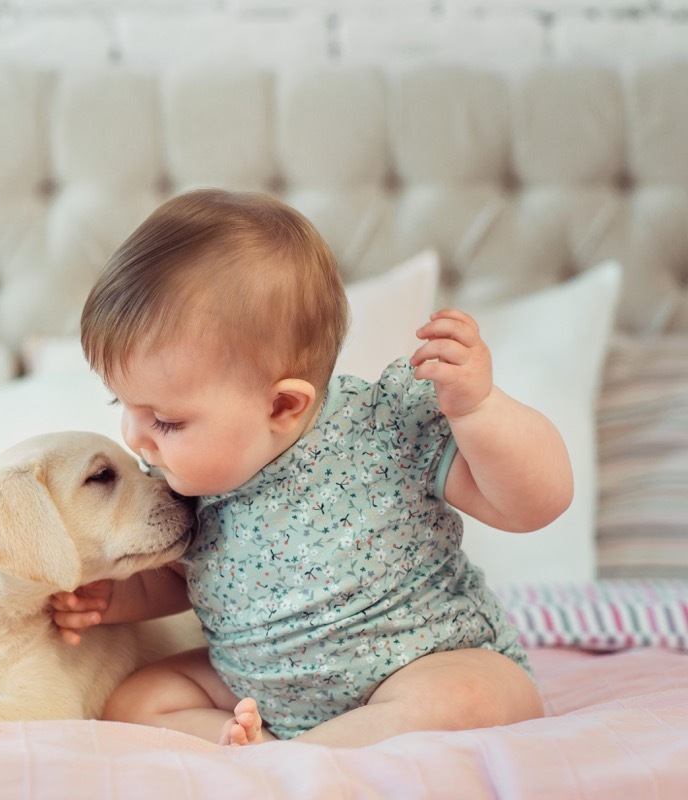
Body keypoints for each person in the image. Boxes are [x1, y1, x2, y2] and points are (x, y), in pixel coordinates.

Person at [49, 188, 573, 748]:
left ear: (281, 406)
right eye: (121, 406)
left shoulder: (385, 427)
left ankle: (297, 762)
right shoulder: (184, 487)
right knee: (134, 700)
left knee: (476, 697)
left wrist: (478, 409)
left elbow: (536, 503)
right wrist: (114, 599)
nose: (135, 437)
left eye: (167, 421)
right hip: (260, 691)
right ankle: (264, 749)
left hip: (417, 663)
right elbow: (179, 583)